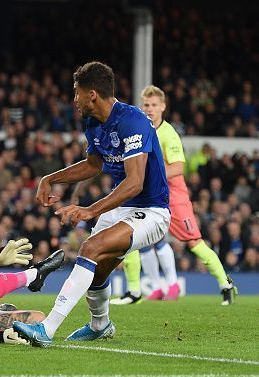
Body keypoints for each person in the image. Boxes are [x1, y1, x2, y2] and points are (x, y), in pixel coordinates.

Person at [13, 61, 170, 346]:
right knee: (98, 268)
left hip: (153, 211)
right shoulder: (93, 123)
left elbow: (135, 182)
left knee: (90, 248)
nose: (74, 99)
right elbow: (93, 165)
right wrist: (51, 178)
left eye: (76, 93)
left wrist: (90, 210)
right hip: (124, 210)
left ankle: (47, 329)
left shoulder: (132, 120)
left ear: (92, 94)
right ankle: (100, 325)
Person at [110, 85, 236, 305]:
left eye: (153, 105)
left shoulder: (168, 134)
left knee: (194, 243)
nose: (149, 109)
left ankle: (225, 284)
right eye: (146, 105)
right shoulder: (141, 130)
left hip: (173, 196)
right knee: (127, 233)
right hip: (148, 196)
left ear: (163, 107)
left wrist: (151, 176)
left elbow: (178, 168)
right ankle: (134, 291)